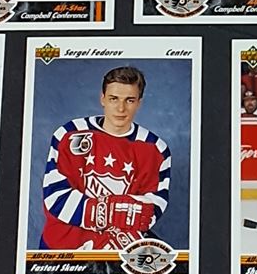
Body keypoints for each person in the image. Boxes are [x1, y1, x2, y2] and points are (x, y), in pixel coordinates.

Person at [40, 66, 173, 252]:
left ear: (139, 103)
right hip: (62, 246)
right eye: (113, 99)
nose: (121, 108)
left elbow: (149, 212)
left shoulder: (156, 149)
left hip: (116, 248)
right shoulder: (70, 134)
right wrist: (116, 210)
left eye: (130, 100)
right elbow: (56, 197)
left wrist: (99, 210)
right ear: (102, 98)